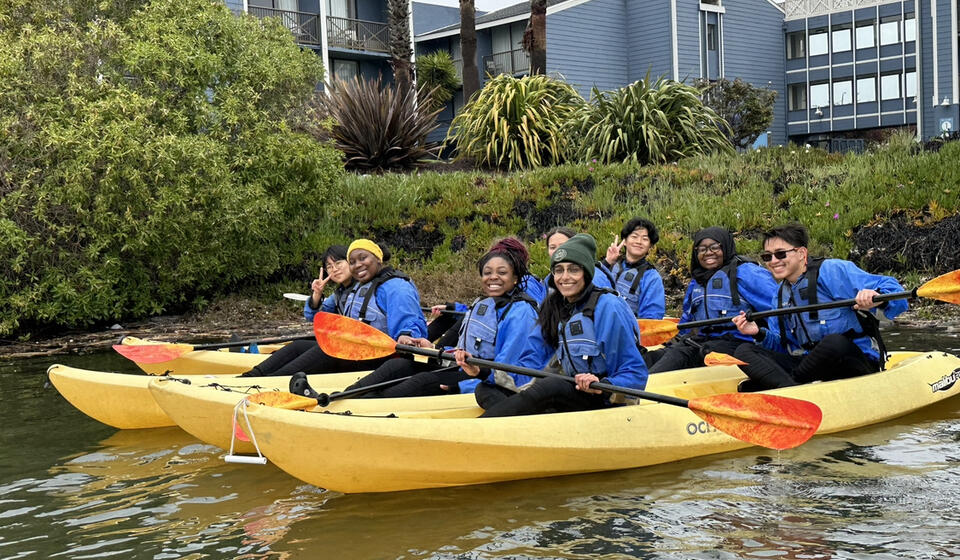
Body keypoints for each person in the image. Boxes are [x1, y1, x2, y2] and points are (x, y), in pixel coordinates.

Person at [459, 234, 648, 417]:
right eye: (559, 270)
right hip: (576, 394)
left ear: (586, 273)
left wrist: (602, 383)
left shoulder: (607, 306)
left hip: (607, 400)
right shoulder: (554, 307)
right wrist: (481, 371)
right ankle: (524, 427)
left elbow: (634, 371)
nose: (565, 277)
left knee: (552, 386)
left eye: (573, 269)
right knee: (485, 389)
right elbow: (529, 363)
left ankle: (473, 433)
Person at [341, 238, 539, 400]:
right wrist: (435, 350)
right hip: (459, 366)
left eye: (502, 273)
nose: (492, 278)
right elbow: (465, 351)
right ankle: (343, 396)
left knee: (420, 382)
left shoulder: (521, 312)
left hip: (480, 380)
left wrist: (461, 386)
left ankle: (361, 407)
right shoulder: (484, 303)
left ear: (515, 277)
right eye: (487, 273)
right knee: (399, 365)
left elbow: (507, 372)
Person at [731, 223, 908, 390]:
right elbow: (784, 346)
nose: (773, 261)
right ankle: (791, 389)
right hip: (810, 366)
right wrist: (758, 333)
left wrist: (876, 298)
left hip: (853, 361)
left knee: (834, 342)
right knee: (743, 350)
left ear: (801, 253)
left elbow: (895, 293)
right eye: (767, 256)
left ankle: (787, 385)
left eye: (780, 254)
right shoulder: (779, 296)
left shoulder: (832, 271)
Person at [241, 239, 429, 376]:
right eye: (353, 261)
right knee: (299, 346)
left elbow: (409, 322)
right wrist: (316, 296)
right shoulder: (356, 287)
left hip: (380, 357)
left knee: (325, 350)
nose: (358, 265)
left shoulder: (395, 287)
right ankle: (251, 377)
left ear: (378, 259)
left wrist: (408, 335)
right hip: (356, 350)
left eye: (362, 258)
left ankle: (270, 383)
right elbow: (318, 317)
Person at [645, 226, 779, 373]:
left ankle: (645, 389)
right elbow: (687, 321)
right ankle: (626, 389)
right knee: (653, 357)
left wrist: (769, 339)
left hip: (741, 344)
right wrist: (670, 344)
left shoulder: (748, 273)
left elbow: (777, 311)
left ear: (726, 247)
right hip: (705, 343)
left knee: (681, 354)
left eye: (714, 247)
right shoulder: (697, 282)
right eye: (702, 249)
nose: (708, 253)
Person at [598, 217, 666, 319]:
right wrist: (606, 263)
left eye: (645, 239)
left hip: (629, 331)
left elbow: (652, 317)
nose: (639, 241)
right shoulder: (610, 265)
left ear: (650, 246)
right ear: (625, 241)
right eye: (634, 236)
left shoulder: (652, 277)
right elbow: (589, 289)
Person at [540, 226, 614, 293]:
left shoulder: (594, 276)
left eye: (564, 245)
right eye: (552, 247)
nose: (558, 251)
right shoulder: (549, 280)